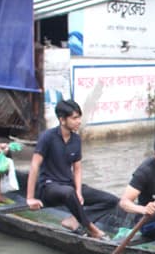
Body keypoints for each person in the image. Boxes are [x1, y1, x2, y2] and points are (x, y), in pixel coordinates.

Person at [26, 99, 118, 239]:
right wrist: (30, 198)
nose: (79, 121)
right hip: (49, 187)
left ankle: (75, 219)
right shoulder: (47, 137)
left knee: (111, 200)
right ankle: (92, 228)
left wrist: (79, 192)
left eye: (79, 117)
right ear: (62, 120)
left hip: (69, 186)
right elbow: (34, 165)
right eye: (74, 118)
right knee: (69, 192)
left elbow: (77, 169)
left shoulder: (76, 140)